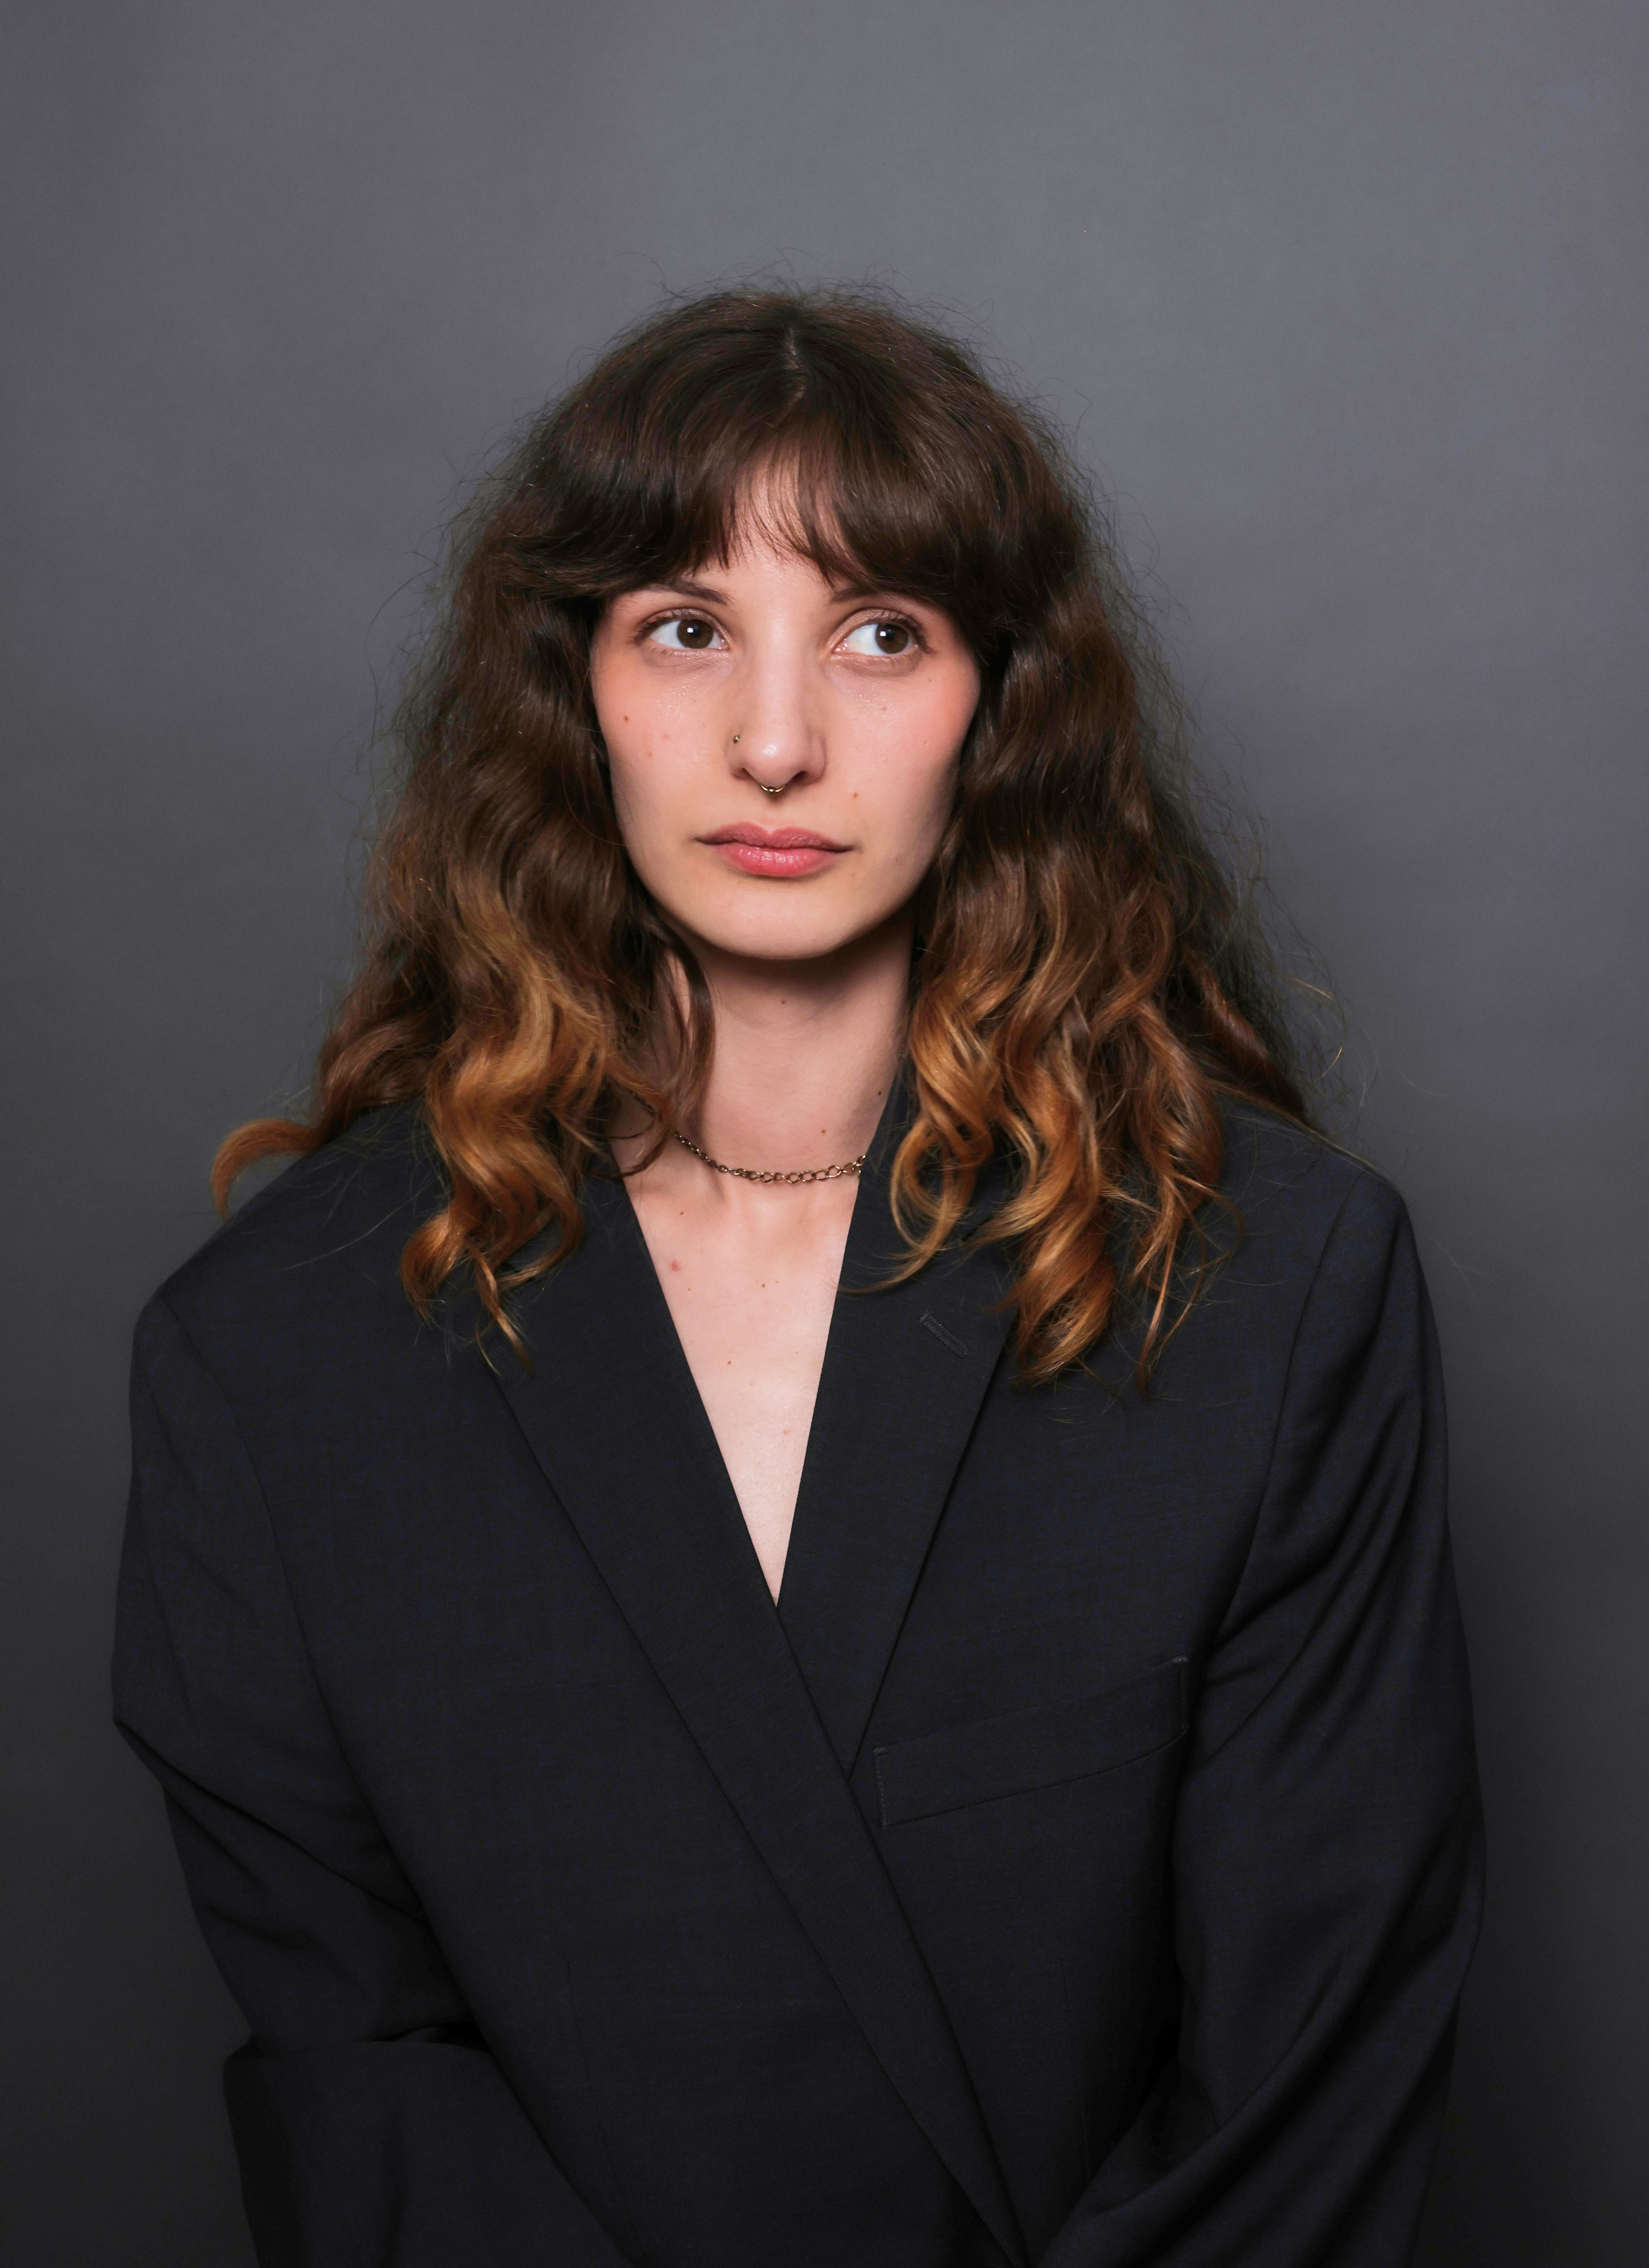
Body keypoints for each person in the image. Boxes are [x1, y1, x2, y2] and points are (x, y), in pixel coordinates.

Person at [113, 286, 1482, 2268]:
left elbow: (1312, 2072)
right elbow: (365, 2082)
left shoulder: (1272, 1293)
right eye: (686, 628)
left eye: (878, 633)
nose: (775, 742)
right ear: (570, 692)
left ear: (998, 704)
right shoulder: (272, 1357)